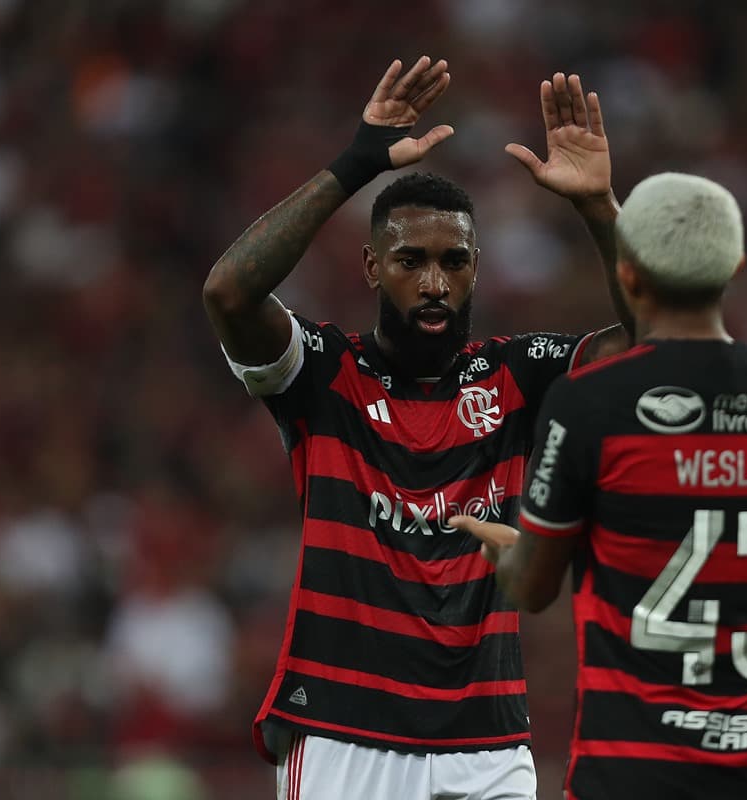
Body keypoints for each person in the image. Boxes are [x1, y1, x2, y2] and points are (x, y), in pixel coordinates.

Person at [201, 56, 630, 800]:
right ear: (371, 267)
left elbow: (658, 347)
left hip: (488, 740)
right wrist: (357, 162)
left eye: (454, 261)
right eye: (411, 261)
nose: (435, 282)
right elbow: (230, 292)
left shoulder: (519, 375)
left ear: (476, 269)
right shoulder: (324, 373)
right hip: (344, 734)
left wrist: (600, 209)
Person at [453, 173, 747, 800]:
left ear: (629, 275)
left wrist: (507, 549)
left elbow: (532, 586)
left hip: (628, 771)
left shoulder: (589, 403)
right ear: (736, 266)